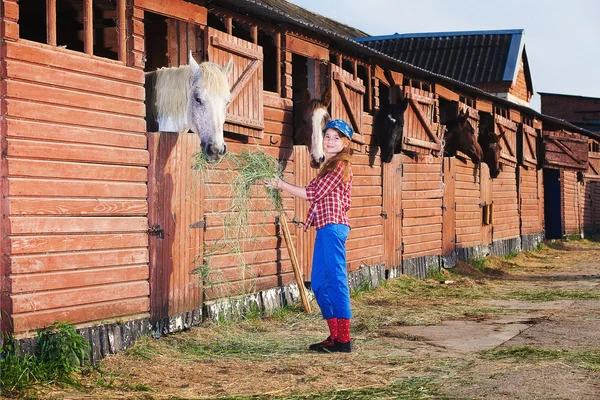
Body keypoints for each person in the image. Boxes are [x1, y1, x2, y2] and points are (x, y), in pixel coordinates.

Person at [264, 119, 354, 353]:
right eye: (327, 137)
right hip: (325, 228)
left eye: (336, 138)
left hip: (334, 228)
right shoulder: (329, 165)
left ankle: (344, 340)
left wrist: (281, 184)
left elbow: (313, 193)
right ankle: (334, 336)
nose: (330, 141)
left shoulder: (341, 166)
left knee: (335, 281)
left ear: (345, 143)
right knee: (319, 282)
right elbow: (316, 195)